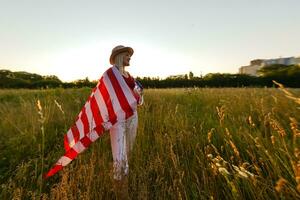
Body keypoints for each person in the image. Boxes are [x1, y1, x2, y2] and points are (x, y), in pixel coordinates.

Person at [108, 45, 143, 198]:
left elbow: (138, 99)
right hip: (118, 119)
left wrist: (139, 93)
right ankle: (120, 192)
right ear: (119, 55)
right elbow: (107, 98)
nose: (130, 57)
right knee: (119, 156)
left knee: (127, 152)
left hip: (133, 116)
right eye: (127, 55)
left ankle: (124, 188)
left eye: (130, 55)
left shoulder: (129, 75)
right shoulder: (110, 75)